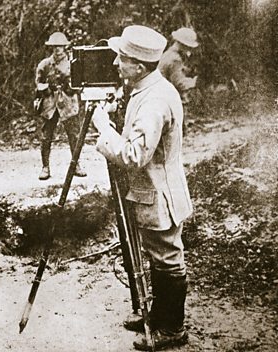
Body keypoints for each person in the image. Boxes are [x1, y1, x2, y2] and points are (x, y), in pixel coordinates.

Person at [92, 25, 193, 351]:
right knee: (157, 255)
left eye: (121, 58)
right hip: (156, 190)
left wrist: (104, 131)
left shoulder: (154, 101)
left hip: (158, 195)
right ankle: (158, 314)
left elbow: (134, 154)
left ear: (139, 65)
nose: (114, 64)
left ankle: (172, 328)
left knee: (167, 258)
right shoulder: (149, 89)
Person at [35, 31, 86, 180]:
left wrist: (70, 86)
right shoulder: (44, 64)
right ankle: (45, 167)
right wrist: (47, 87)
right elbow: (38, 84)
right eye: (54, 46)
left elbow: (80, 83)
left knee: (74, 136)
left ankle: (76, 165)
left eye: (60, 46)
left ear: (65, 47)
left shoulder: (73, 63)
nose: (57, 49)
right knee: (46, 136)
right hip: (50, 104)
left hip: (68, 102)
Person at [158, 27, 199, 102]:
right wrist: (194, 81)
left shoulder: (168, 53)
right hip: (164, 96)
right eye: (188, 47)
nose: (189, 49)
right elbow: (179, 83)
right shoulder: (175, 59)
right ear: (183, 44)